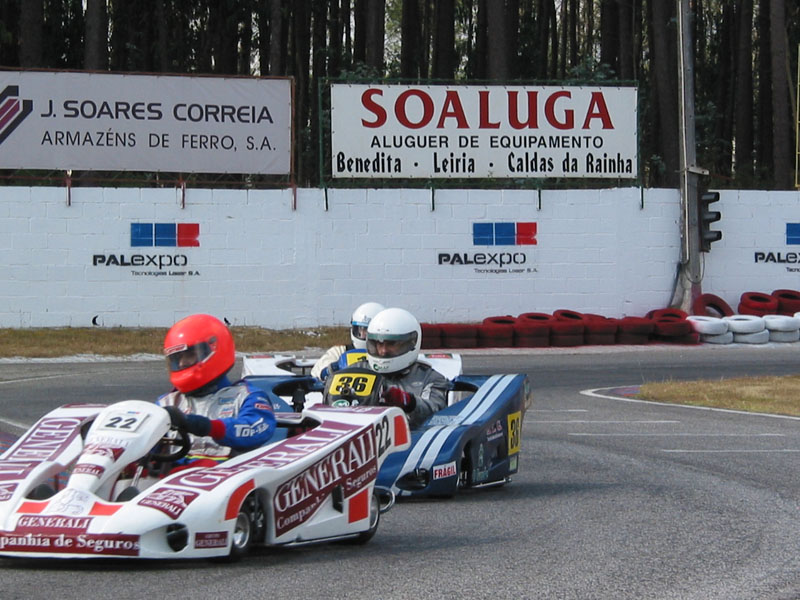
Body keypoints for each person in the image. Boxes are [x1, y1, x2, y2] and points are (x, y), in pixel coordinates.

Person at [158, 313, 276, 467]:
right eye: (177, 358)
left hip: (227, 478)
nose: (181, 363)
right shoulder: (168, 403)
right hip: (172, 480)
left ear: (215, 350)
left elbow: (257, 429)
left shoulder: (246, 397)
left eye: (190, 355)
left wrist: (209, 427)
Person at [362, 307, 449, 429]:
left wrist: (408, 401)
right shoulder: (359, 370)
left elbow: (435, 411)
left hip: (409, 440)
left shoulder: (431, 378)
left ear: (412, 343)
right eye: (379, 343)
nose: (383, 351)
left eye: (391, 344)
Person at [310, 301, 385, 380]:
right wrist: (334, 368)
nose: (364, 334)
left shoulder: (387, 353)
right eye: (361, 330)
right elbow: (318, 370)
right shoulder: (340, 351)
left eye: (368, 331)